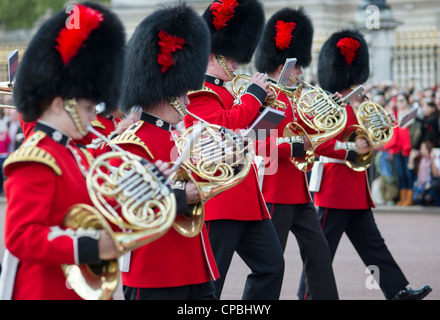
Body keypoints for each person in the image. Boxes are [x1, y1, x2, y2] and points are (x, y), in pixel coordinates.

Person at [0, 2, 125, 300]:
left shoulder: (73, 153)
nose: (93, 116)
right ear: (59, 104)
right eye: (85, 108)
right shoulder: (37, 158)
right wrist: (91, 246)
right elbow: (21, 237)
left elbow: (94, 207)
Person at [299, 29, 432, 300]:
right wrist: (351, 149)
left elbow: (365, 140)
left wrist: (379, 134)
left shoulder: (357, 107)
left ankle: (397, 290)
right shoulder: (328, 106)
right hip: (333, 190)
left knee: (374, 247)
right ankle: (306, 296)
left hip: (356, 191)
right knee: (321, 252)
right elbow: (317, 143)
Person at [109, 4, 220, 300]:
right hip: (156, 271)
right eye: (183, 92)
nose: (187, 98)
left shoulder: (177, 137)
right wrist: (185, 196)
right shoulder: (132, 142)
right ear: (168, 93)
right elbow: (130, 208)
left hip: (194, 266)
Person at [184, 0, 285, 300]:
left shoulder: (227, 92)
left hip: (247, 199)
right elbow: (226, 128)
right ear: (213, 56)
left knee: (272, 266)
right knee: (211, 283)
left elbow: (250, 135)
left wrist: (266, 110)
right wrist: (254, 95)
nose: (238, 63)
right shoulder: (200, 92)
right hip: (221, 200)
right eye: (232, 57)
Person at [253, 7, 338, 300]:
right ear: (282, 65)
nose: (301, 72)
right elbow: (260, 145)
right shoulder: (263, 98)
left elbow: (314, 140)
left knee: (319, 251)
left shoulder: (299, 98)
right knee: (271, 264)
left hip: (299, 193)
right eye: (297, 66)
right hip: (274, 191)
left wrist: (347, 144)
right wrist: (295, 146)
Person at [383, 93, 415, 206]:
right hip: (396, 149)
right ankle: (403, 197)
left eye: (402, 100)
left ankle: (410, 198)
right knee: (400, 174)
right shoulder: (394, 114)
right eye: (398, 101)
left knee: (408, 173)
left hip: (408, 150)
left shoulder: (411, 115)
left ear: (406, 101)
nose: (400, 103)